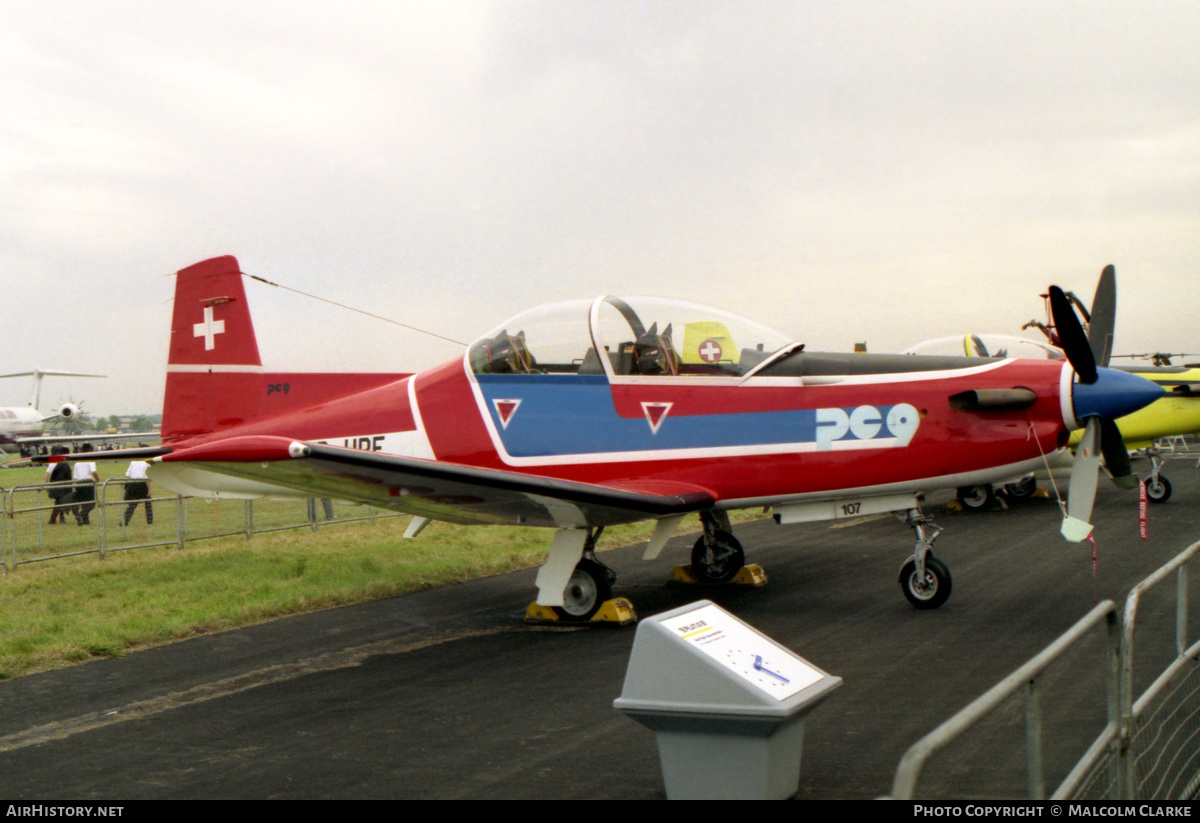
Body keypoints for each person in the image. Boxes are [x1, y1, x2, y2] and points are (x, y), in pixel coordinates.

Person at [71, 444, 99, 526]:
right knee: (91, 503)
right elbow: (93, 471)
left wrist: (74, 485)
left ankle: (85, 521)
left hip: (79, 483)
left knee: (84, 503)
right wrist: (97, 479)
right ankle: (81, 515)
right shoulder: (90, 459)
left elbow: (75, 476)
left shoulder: (77, 462)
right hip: (88, 483)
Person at [44, 446, 73, 524]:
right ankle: (53, 519)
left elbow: (47, 475)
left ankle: (61, 518)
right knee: (59, 502)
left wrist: (46, 485)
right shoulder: (59, 462)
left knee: (60, 502)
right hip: (61, 486)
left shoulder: (53, 462)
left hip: (56, 485)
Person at [123, 460, 153, 526]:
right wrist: (149, 489)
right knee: (148, 502)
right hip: (142, 484)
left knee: (133, 504)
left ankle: (125, 520)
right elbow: (146, 477)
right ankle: (150, 520)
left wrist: (127, 486)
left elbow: (128, 475)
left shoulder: (133, 461)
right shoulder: (146, 462)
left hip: (133, 483)